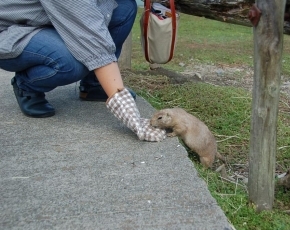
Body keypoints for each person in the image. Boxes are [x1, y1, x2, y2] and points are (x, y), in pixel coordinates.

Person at [0, 0, 166, 142]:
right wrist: (128, 112)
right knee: (72, 63)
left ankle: (94, 84)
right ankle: (26, 85)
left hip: (47, 18)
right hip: (12, 29)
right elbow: (91, 37)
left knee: (123, 6)